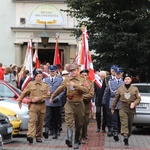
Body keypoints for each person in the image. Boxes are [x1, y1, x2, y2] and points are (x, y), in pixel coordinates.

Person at [50, 65, 89, 149]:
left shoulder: (82, 79)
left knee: (79, 124)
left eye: (74, 70)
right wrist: (53, 97)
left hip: (79, 103)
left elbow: (86, 90)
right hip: (69, 103)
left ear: (77, 70)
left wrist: (75, 85)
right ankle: (69, 139)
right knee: (69, 121)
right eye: (71, 71)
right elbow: (60, 88)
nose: (73, 72)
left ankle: (76, 141)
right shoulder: (67, 80)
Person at [18, 71, 50, 144]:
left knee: (40, 122)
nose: (39, 78)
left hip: (42, 105)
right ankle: (30, 136)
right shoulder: (30, 84)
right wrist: (20, 100)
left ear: (42, 77)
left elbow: (47, 95)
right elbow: (24, 92)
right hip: (33, 105)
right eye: (37, 76)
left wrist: (38, 98)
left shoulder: (45, 85)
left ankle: (38, 136)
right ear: (35, 77)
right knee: (32, 120)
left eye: (40, 76)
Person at [111, 73, 141, 146]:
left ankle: (128, 134)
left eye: (128, 79)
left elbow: (139, 98)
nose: (127, 80)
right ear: (123, 80)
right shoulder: (120, 88)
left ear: (131, 80)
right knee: (124, 122)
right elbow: (116, 98)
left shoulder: (135, 89)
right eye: (125, 79)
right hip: (123, 107)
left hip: (131, 108)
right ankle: (125, 137)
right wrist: (113, 107)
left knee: (129, 123)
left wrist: (134, 103)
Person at [102, 67, 124, 141]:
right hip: (112, 101)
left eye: (119, 74)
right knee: (114, 118)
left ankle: (119, 131)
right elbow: (107, 91)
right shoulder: (110, 82)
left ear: (122, 74)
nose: (118, 75)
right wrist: (104, 101)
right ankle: (115, 132)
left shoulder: (124, 83)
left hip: (121, 102)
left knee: (120, 118)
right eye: (117, 74)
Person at [43, 65, 63, 139]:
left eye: (53, 71)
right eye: (50, 71)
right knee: (48, 116)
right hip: (48, 101)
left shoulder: (60, 80)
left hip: (56, 102)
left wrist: (57, 98)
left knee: (56, 117)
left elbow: (62, 91)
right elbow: (43, 90)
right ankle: (47, 130)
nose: (52, 73)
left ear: (56, 71)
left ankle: (56, 131)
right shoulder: (45, 80)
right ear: (49, 71)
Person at [80, 69, 94, 144]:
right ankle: (78, 135)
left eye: (85, 75)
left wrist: (82, 97)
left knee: (85, 120)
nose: (84, 77)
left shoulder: (90, 84)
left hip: (86, 104)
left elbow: (91, 94)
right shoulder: (78, 83)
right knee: (79, 120)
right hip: (78, 104)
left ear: (87, 76)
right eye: (82, 75)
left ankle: (83, 135)